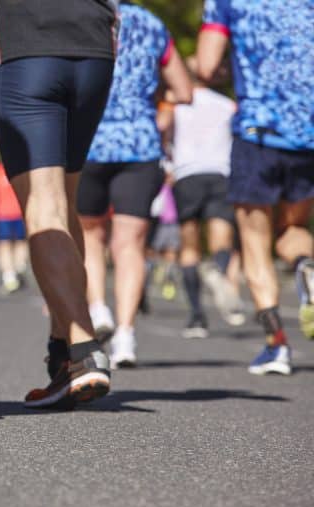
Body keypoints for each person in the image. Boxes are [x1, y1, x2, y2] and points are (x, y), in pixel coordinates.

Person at [0, 0, 117, 407]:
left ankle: (84, 348)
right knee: (64, 200)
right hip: (94, 48)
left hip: (27, 42)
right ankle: (64, 353)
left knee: (44, 204)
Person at [197, 0, 314, 375]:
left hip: (257, 133)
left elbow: (205, 64)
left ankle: (276, 344)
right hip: (308, 134)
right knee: (294, 229)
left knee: (254, 241)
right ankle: (307, 268)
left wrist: (231, 69)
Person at [77, 1, 192, 368]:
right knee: (131, 245)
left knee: (90, 236)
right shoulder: (152, 25)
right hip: (140, 144)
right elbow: (185, 91)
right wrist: (154, 100)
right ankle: (126, 338)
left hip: (91, 140)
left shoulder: (82, 16)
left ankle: (97, 310)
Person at [169, 59, 245, 338]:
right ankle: (219, 272)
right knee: (221, 241)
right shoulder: (227, 105)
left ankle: (196, 317)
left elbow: (163, 134)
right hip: (221, 174)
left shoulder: (176, 105)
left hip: (187, 174)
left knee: (189, 246)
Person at [0, 161, 28, 293]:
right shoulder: (21, 167)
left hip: (2, 214)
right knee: (20, 243)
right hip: (20, 212)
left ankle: (9, 277)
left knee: (5, 245)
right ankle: (20, 268)